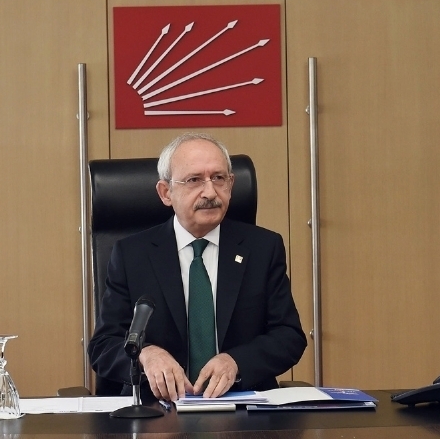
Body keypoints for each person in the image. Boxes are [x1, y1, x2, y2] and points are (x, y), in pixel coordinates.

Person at [87, 133, 307, 400]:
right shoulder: (131, 254)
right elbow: (103, 346)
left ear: (231, 185)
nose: (210, 192)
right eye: (194, 180)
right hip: (157, 408)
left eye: (219, 178)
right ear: (166, 193)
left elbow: (288, 336)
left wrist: (236, 362)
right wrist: (146, 355)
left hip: (244, 405)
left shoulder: (263, 248)